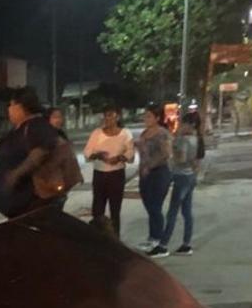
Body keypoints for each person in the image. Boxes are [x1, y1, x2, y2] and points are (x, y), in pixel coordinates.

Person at [0, 86, 61, 219]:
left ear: (21, 106)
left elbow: (43, 150)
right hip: (16, 207)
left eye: (11, 105)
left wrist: (16, 174)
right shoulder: (18, 129)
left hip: (30, 206)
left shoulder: (36, 126)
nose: (9, 109)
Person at [147, 110, 201, 257]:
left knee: (172, 213)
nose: (180, 126)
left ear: (191, 125)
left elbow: (181, 159)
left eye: (183, 123)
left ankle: (163, 246)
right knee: (187, 212)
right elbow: (195, 161)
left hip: (181, 177)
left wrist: (172, 152)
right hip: (190, 177)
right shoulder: (196, 139)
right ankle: (186, 244)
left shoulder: (184, 140)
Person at [83, 104, 134, 237]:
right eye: (105, 116)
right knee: (97, 209)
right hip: (100, 174)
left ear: (118, 117)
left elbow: (130, 153)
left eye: (111, 115)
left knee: (115, 209)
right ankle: (97, 237)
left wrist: (119, 158)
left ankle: (115, 238)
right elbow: (87, 152)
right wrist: (98, 155)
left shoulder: (125, 134)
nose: (107, 119)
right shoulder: (97, 133)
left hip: (116, 175)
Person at [135, 102, 173, 250]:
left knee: (155, 207)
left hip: (159, 173)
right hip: (145, 174)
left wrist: (150, 166)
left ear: (157, 118)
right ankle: (152, 237)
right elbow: (143, 153)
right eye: (145, 116)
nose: (146, 118)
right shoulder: (144, 133)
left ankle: (158, 239)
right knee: (149, 206)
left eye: (149, 116)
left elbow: (166, 154)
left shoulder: (162, 133)